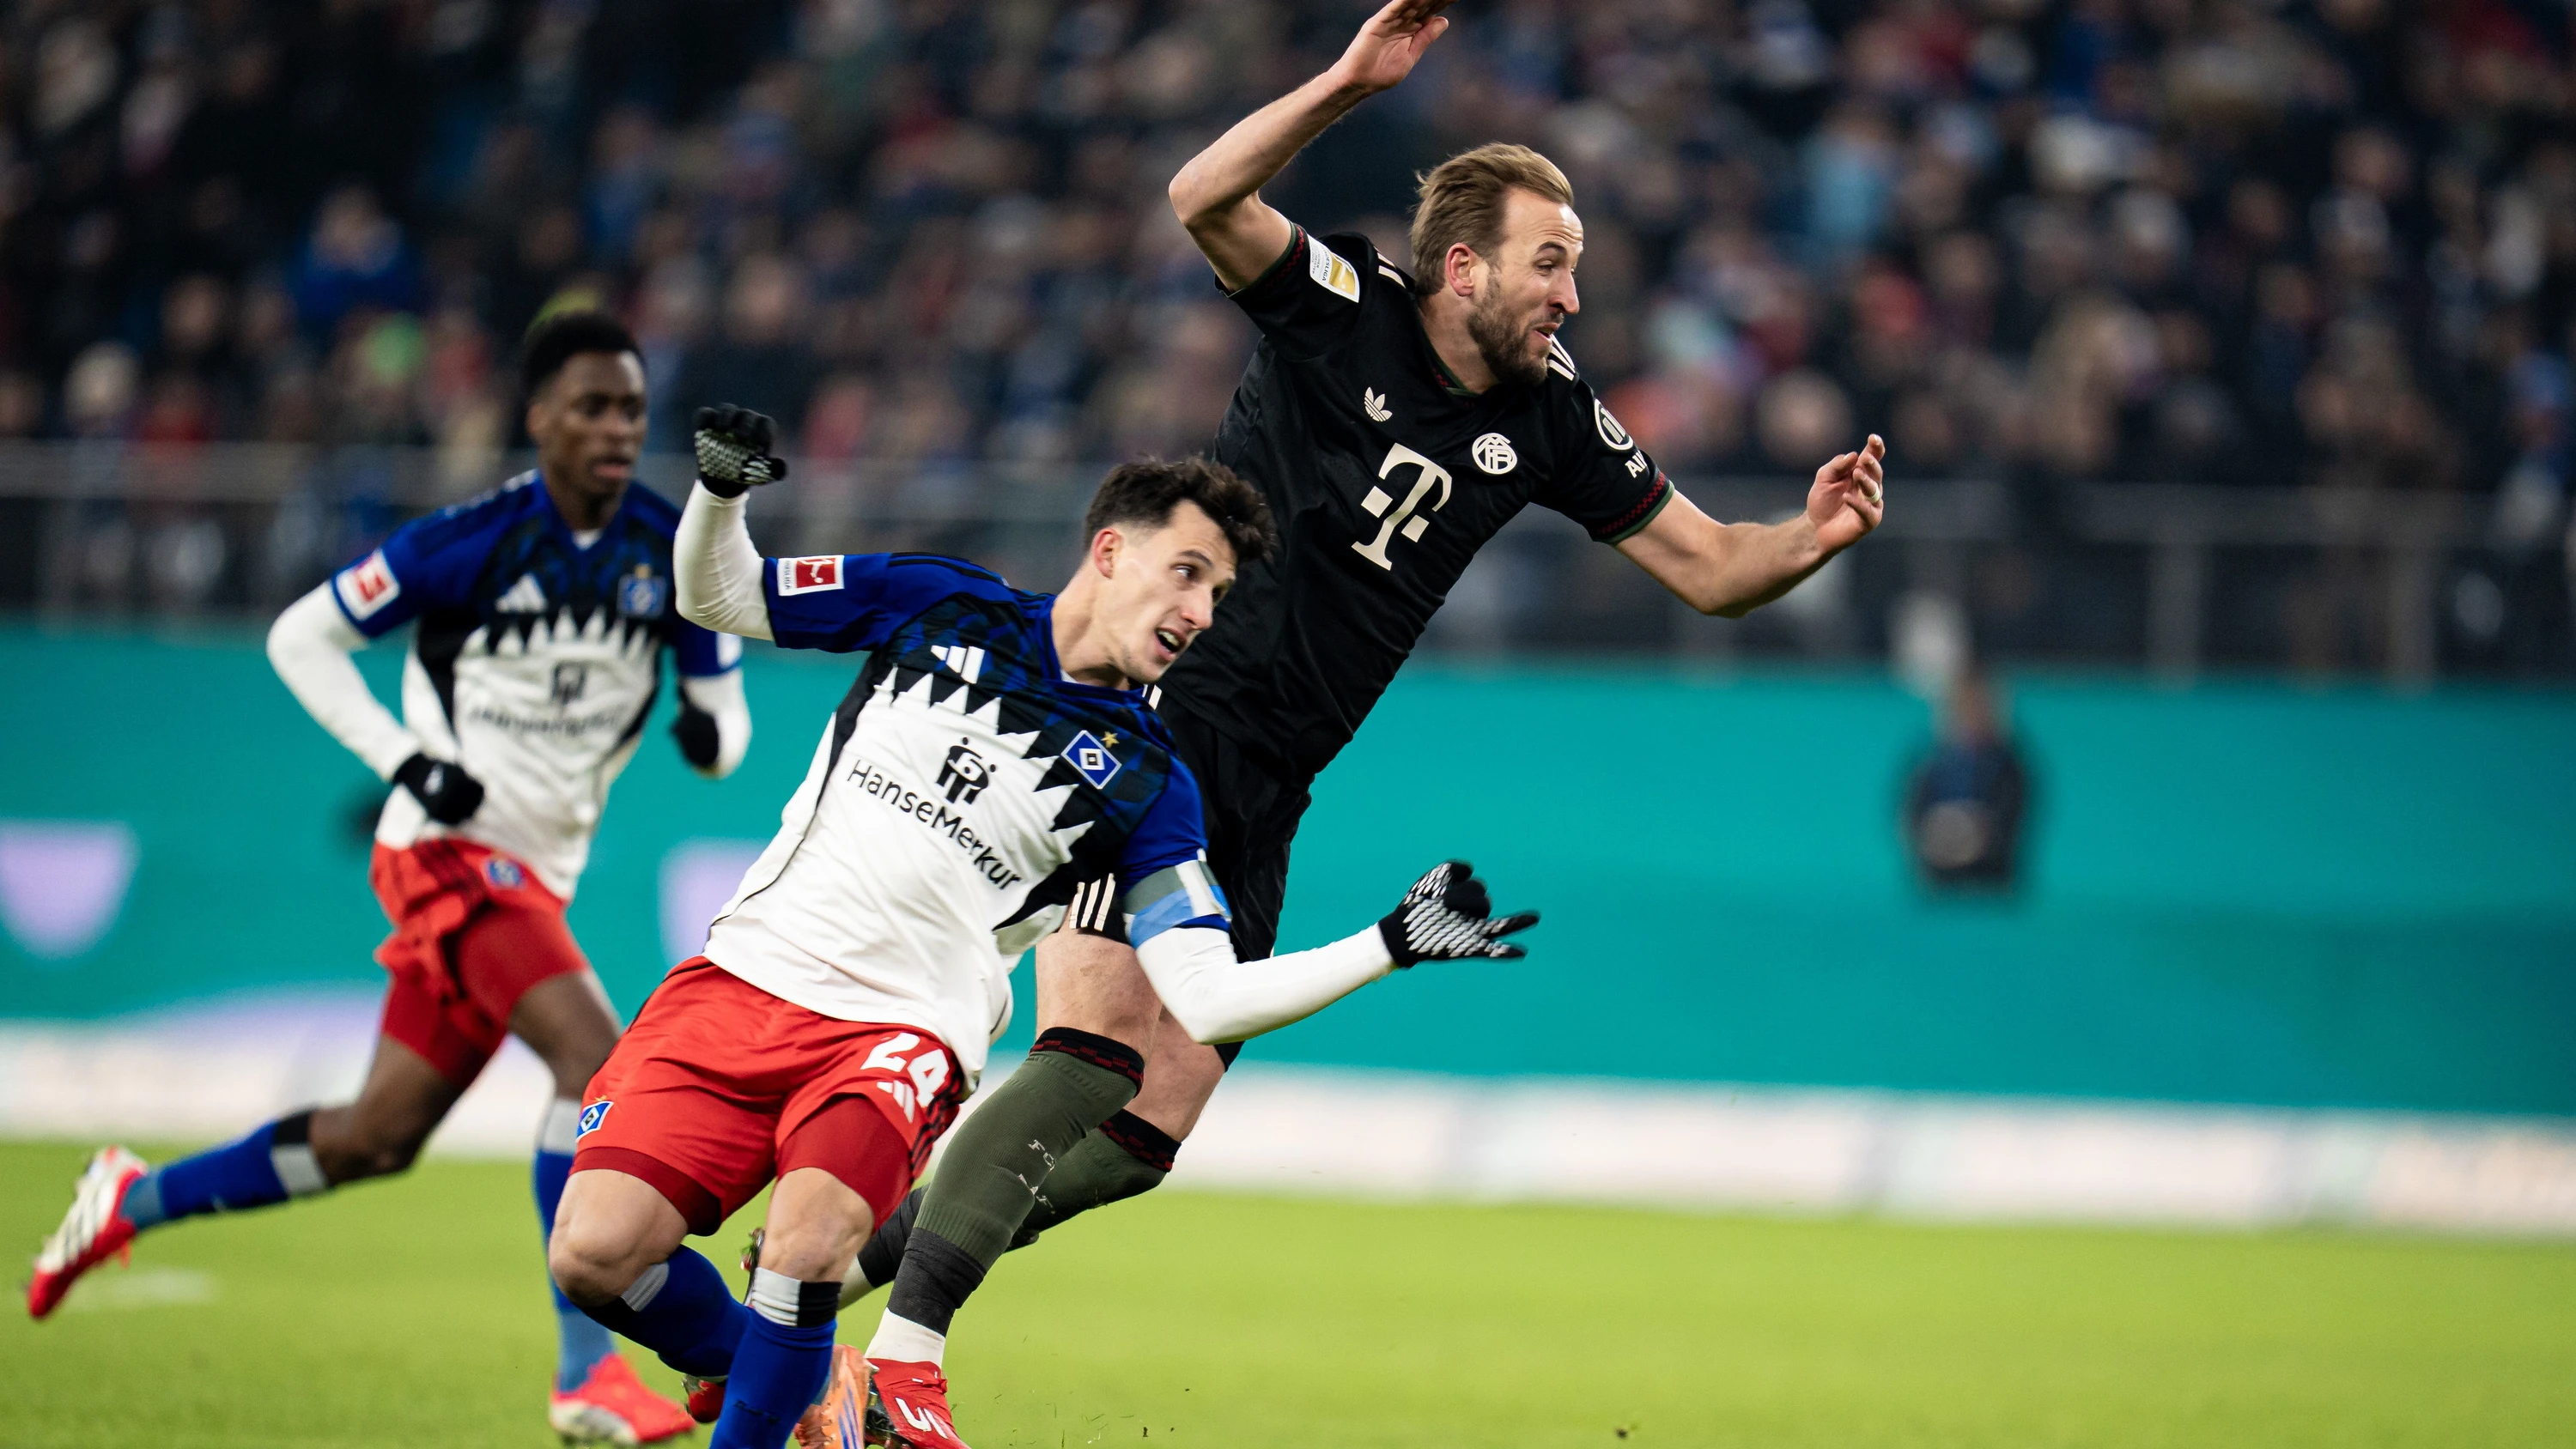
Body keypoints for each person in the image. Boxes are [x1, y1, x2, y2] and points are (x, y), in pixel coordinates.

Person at [842, 4, 1890, 1442]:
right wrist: (1347, 81)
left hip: (1276, 778)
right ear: (1462, 266)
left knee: (1140, 1135)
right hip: (1163, 722)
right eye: (1549, 264)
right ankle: (896, 1358)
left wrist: (1813, 533)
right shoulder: (1344, 309)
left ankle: (810, 1288)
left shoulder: (1558, 415)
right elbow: (1199, 197)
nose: (1570, 297)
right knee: (1088, 1055)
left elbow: (1712, 569)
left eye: (1574, 269)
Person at [539, 411, 1534, 1449]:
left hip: (898, 1032)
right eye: (1186, 572)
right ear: (1110, 550)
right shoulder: (939, 601)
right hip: (741, 979)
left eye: (1219, 594)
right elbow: (722, 593)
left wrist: (1386, 943)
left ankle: (794, 1372)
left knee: (807, 1245)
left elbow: (1203, 996)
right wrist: (721, 494)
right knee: (595, 1254)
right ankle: (787, 1368)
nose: (1200, 611)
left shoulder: (1151, 782)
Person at [27, 312, 750, 1446]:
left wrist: (710, 728)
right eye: (593, 406)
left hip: (533, 879)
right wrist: (407, 759)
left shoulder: (671, 548)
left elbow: (724, 722)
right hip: (446, 856)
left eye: (631, 410)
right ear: (539, 418)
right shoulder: (468, 539)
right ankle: (590, 1373)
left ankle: (131, 1197)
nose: (616, 428)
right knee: (595, 1063)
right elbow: (299, 636)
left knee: (374, 1137)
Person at [1905, 666, 2031, 892]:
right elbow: (1912, 814)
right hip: (1938, 884)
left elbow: (2012, 818)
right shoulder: (1933, 763)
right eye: (1964, 706)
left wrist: (1979, 838)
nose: (1971, 715)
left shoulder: (2008, 767)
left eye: (1978, 706)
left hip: (1992, 884)